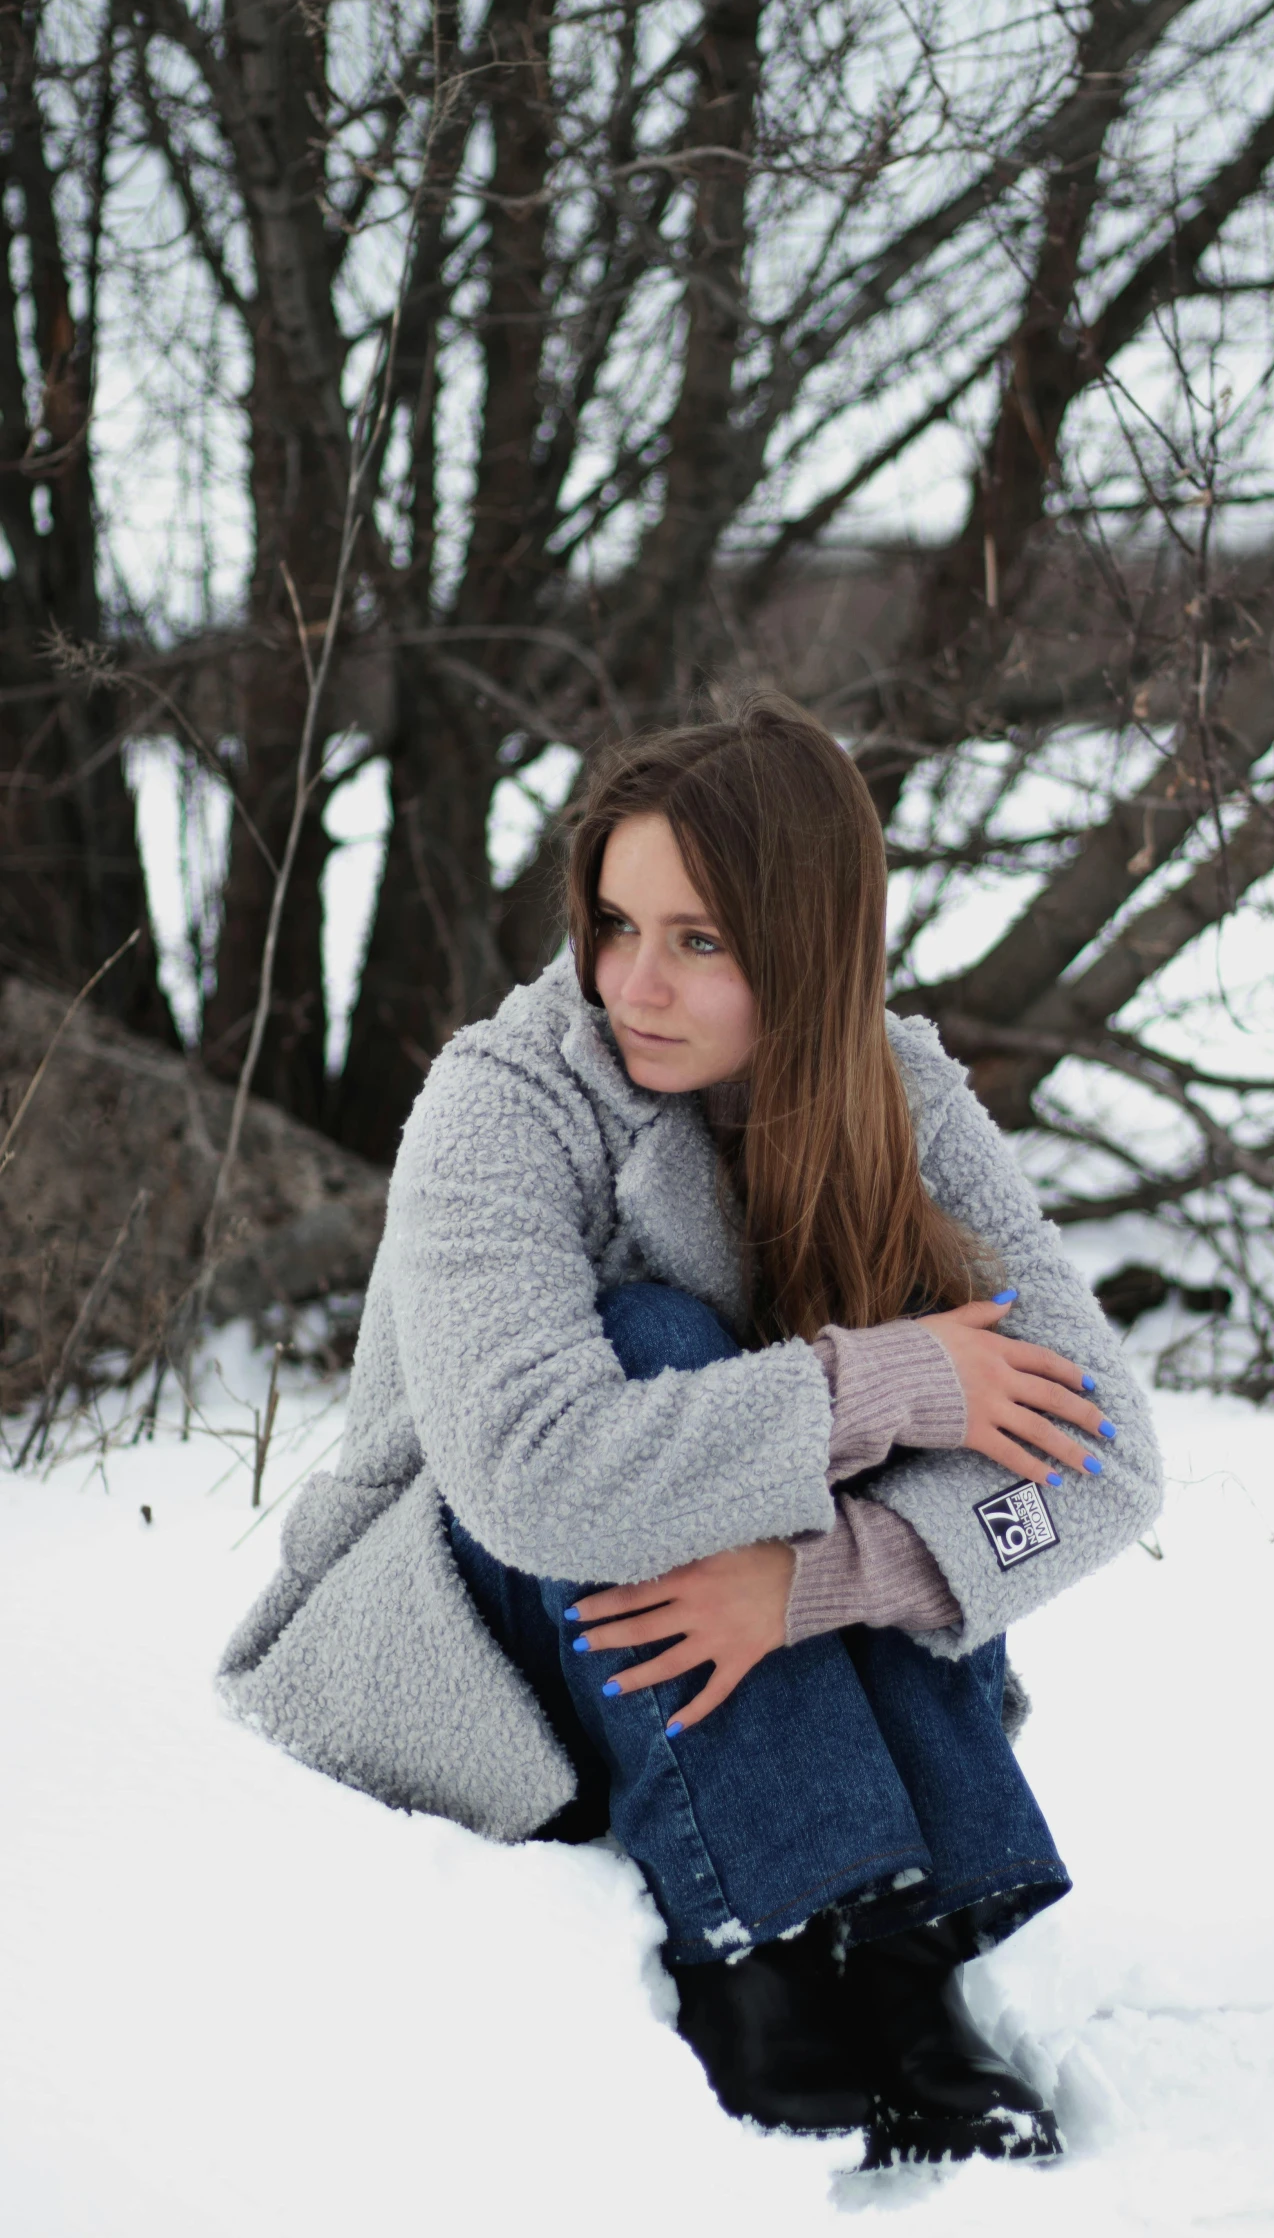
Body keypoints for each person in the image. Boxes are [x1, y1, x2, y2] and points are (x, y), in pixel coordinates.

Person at [218, 695, 1162, 2163]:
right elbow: (529, 1474)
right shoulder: (505, 1093)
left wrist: (813, 1576)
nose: (634, 983)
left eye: (698, 939)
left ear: (807, 942)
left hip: (764, 1638)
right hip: (487, 1636)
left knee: (924, 1459)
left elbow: (1100, 1457)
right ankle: (763, 1944)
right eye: (613, 922)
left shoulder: (894, 1092)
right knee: (662, 1341)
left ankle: (910, 1968)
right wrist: (881, 1380)